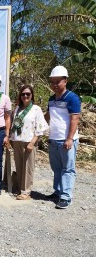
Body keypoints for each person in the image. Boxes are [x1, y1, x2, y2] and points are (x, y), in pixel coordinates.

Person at [45, 65, 81, 209]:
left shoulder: (72, 98)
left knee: (68, 169)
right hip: (53, 139)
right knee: (57, 168)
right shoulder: (51, 99)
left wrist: (70, 138)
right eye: (52, 82)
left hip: (66, 140)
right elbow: (48, 116)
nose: (54, 85)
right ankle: (58, 191)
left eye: (57, 81)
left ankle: (66, 197)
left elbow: (74, 119)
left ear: (65, 81)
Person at [9, 85, 48, 200]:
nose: (25, 96)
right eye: (23, 94)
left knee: (28, 167)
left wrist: (32, 142)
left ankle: (26, 191)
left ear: (32, 96)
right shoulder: (17, 109)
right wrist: (11, 139)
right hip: (17, 141)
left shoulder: (36, 109)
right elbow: (13, 125)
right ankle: (20, 188)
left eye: (28, 94)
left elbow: (40, 127)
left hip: (29, 142)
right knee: (19, 165)